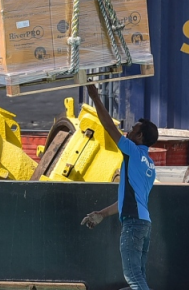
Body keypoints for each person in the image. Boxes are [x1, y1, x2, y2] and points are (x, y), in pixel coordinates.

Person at [81, 83, 159, 290]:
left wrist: (95, 97)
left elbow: (109, 127)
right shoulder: (150, 165)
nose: (128, 132)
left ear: (139, 137)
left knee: (133, 278)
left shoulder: (132, 151)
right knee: (138, 278)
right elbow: (127, 200)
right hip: (144, 224)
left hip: (133, 225)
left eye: (133, 130)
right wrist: (102, 214)